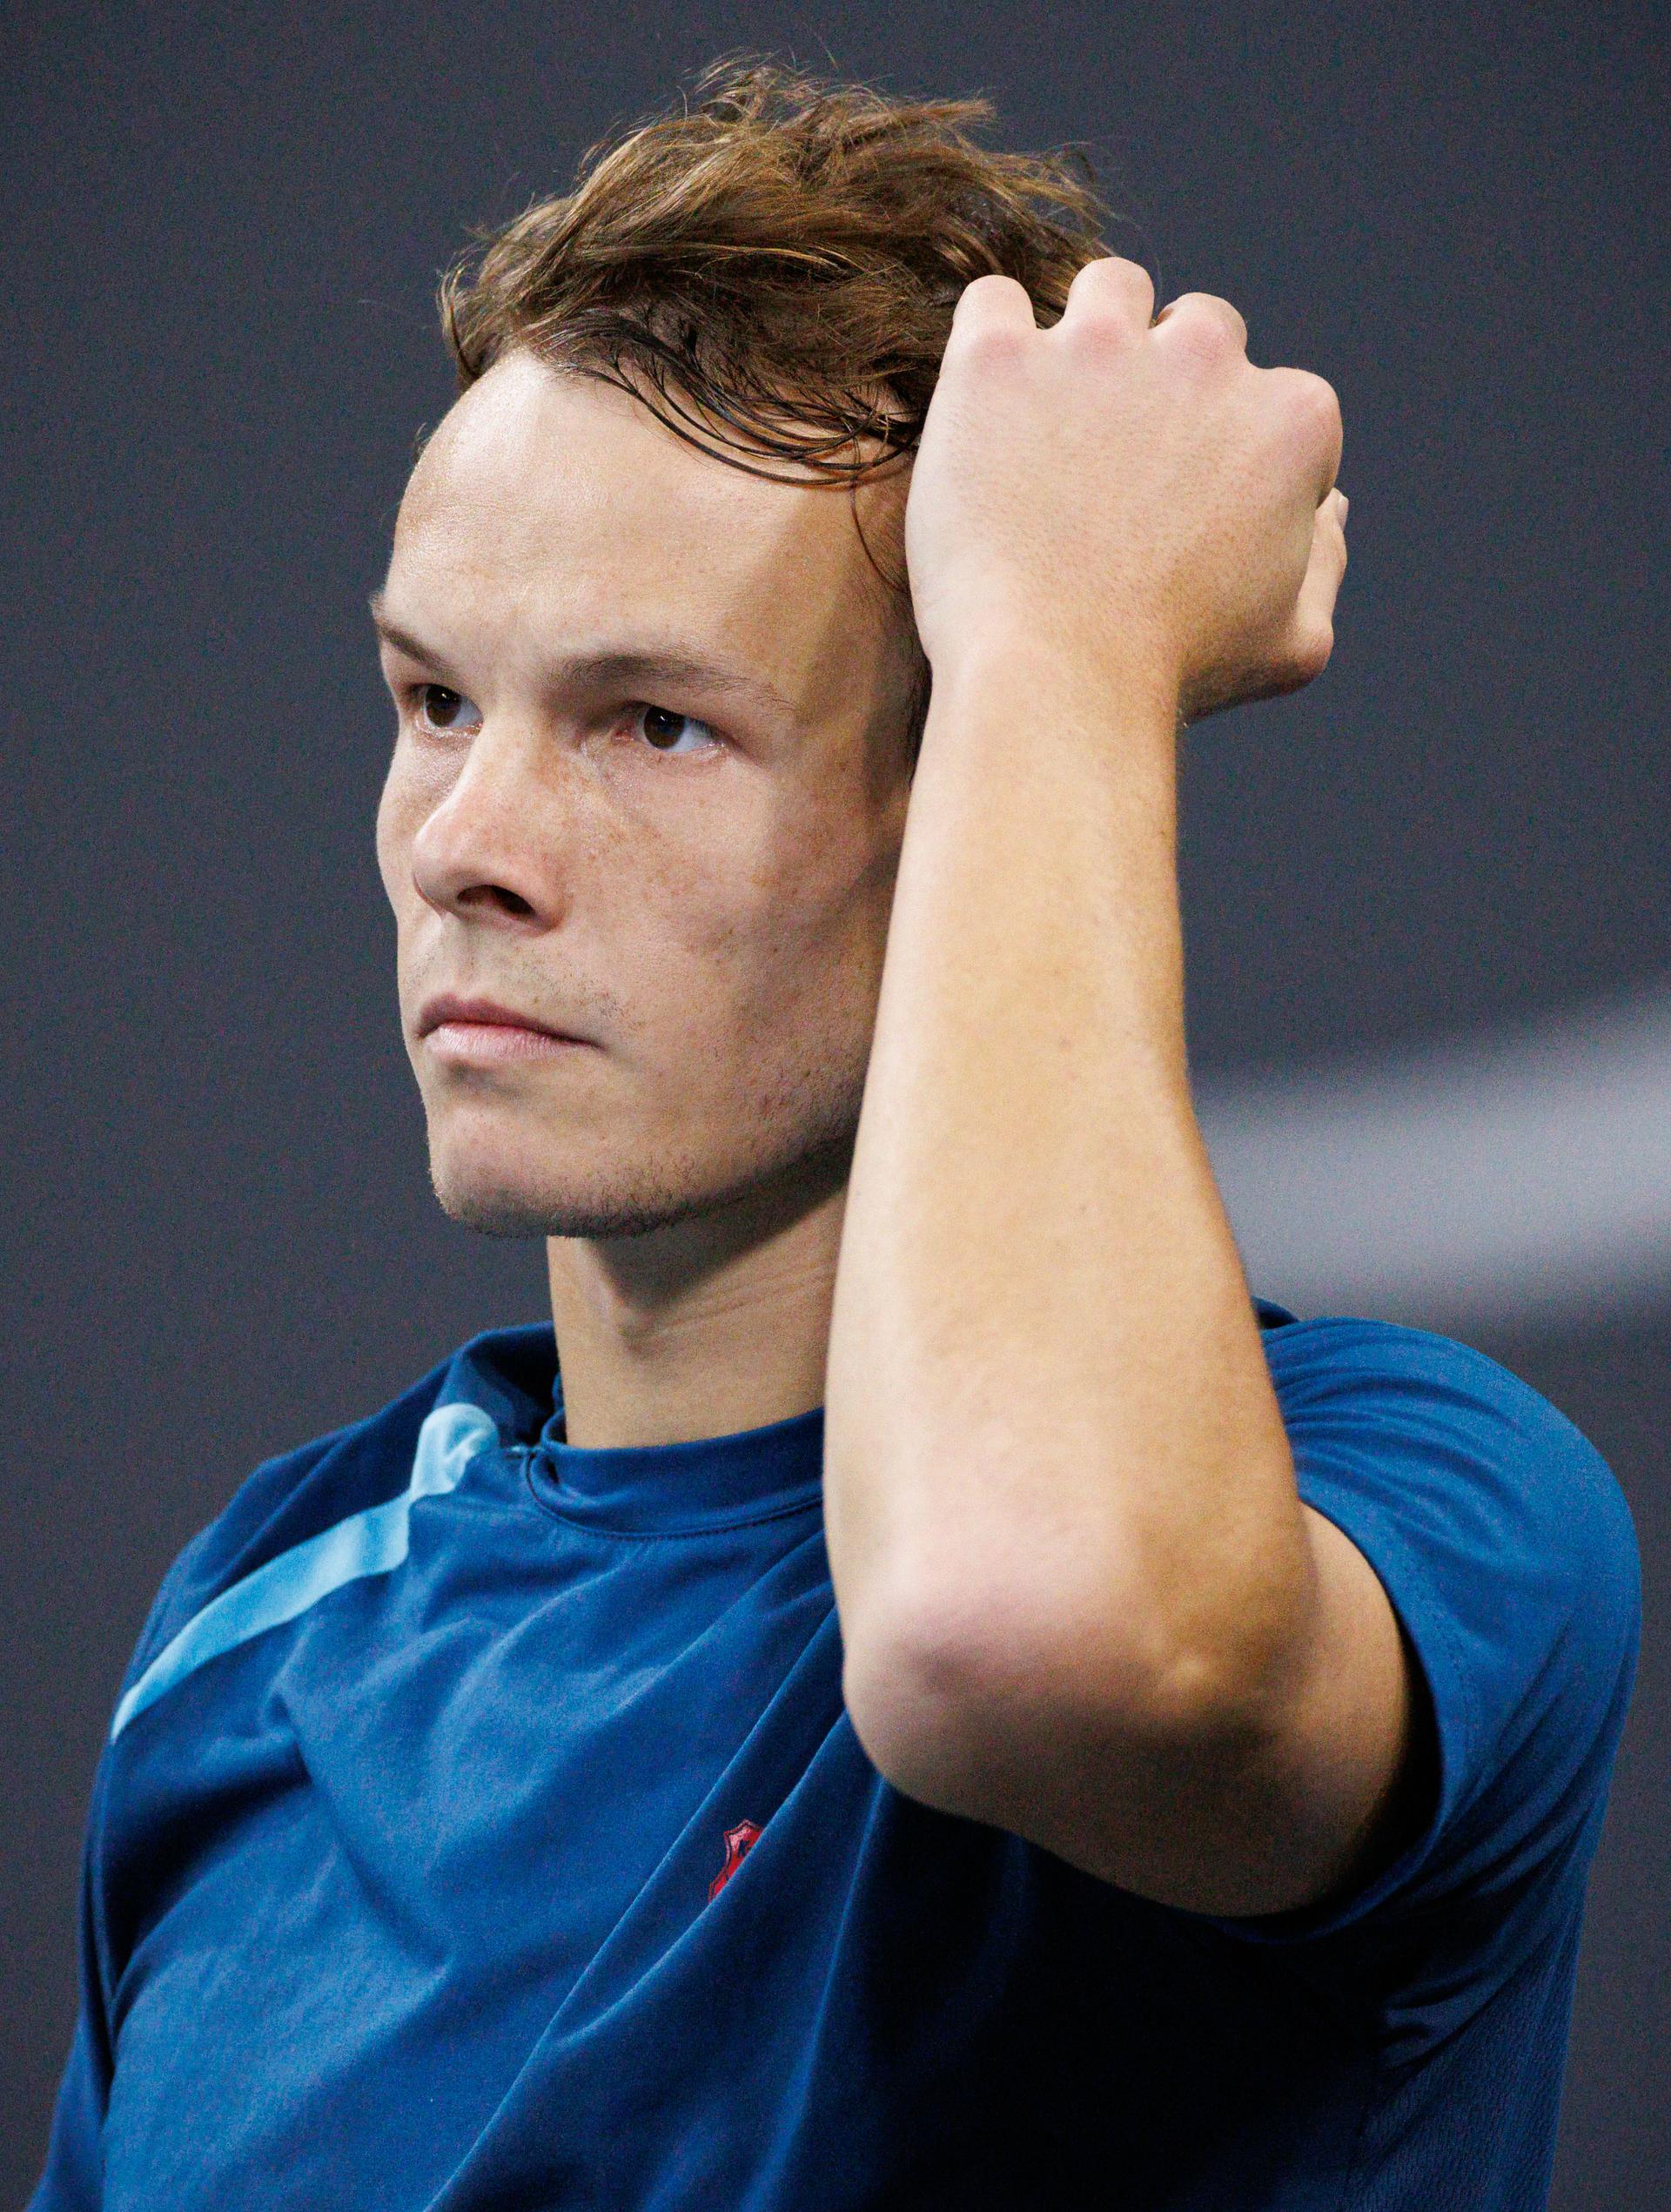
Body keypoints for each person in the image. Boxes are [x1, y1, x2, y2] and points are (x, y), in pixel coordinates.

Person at [33, 57, 1638, 2212]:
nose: (468, 845)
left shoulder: (1422, 1501)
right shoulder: (251, 1625)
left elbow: (1012, 1616)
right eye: (432, 700)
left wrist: (1066, 638)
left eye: (656, 720)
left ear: (980, 777)